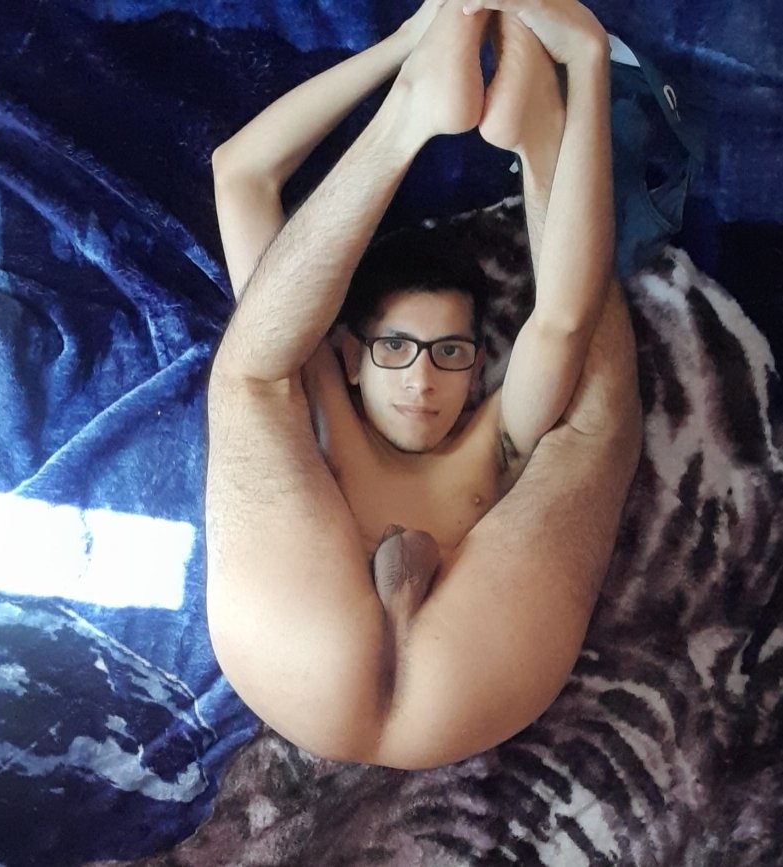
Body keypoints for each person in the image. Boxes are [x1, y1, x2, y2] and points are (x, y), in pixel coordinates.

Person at [205, 0, 643, 770]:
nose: (421, 378)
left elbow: (561, 320)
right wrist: (405, 48)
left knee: (596, 420)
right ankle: (437, 116)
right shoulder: (319, 395)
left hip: (453, 673)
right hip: (320, 658)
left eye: (449, 352)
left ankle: (532, 128)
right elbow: (238, 174)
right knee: (253, 364)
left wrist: (589, 66)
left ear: (479, 364)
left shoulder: (498, 438)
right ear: (352, 354)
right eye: (396, 348)